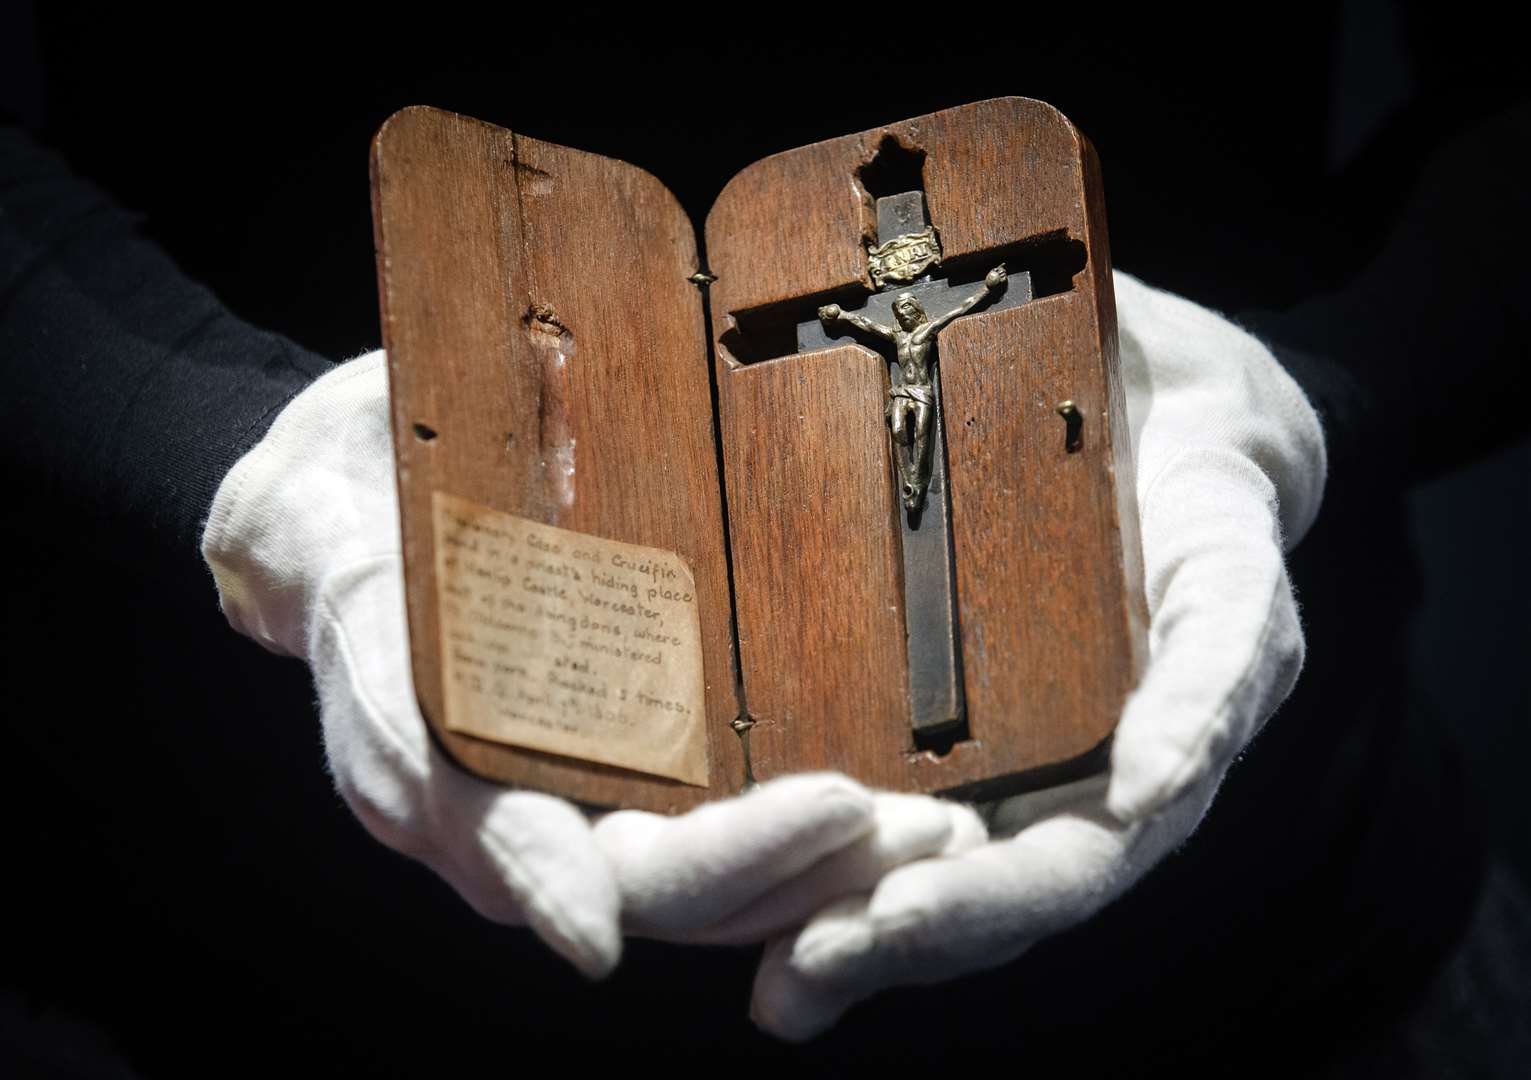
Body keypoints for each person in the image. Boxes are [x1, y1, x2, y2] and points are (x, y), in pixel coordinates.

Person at [3, 10, 1527, 1076]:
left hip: (1283, 955)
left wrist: (1306, 395)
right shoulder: (868, 305)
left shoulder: (927, 290)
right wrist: (227, 444)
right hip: (265, 969)